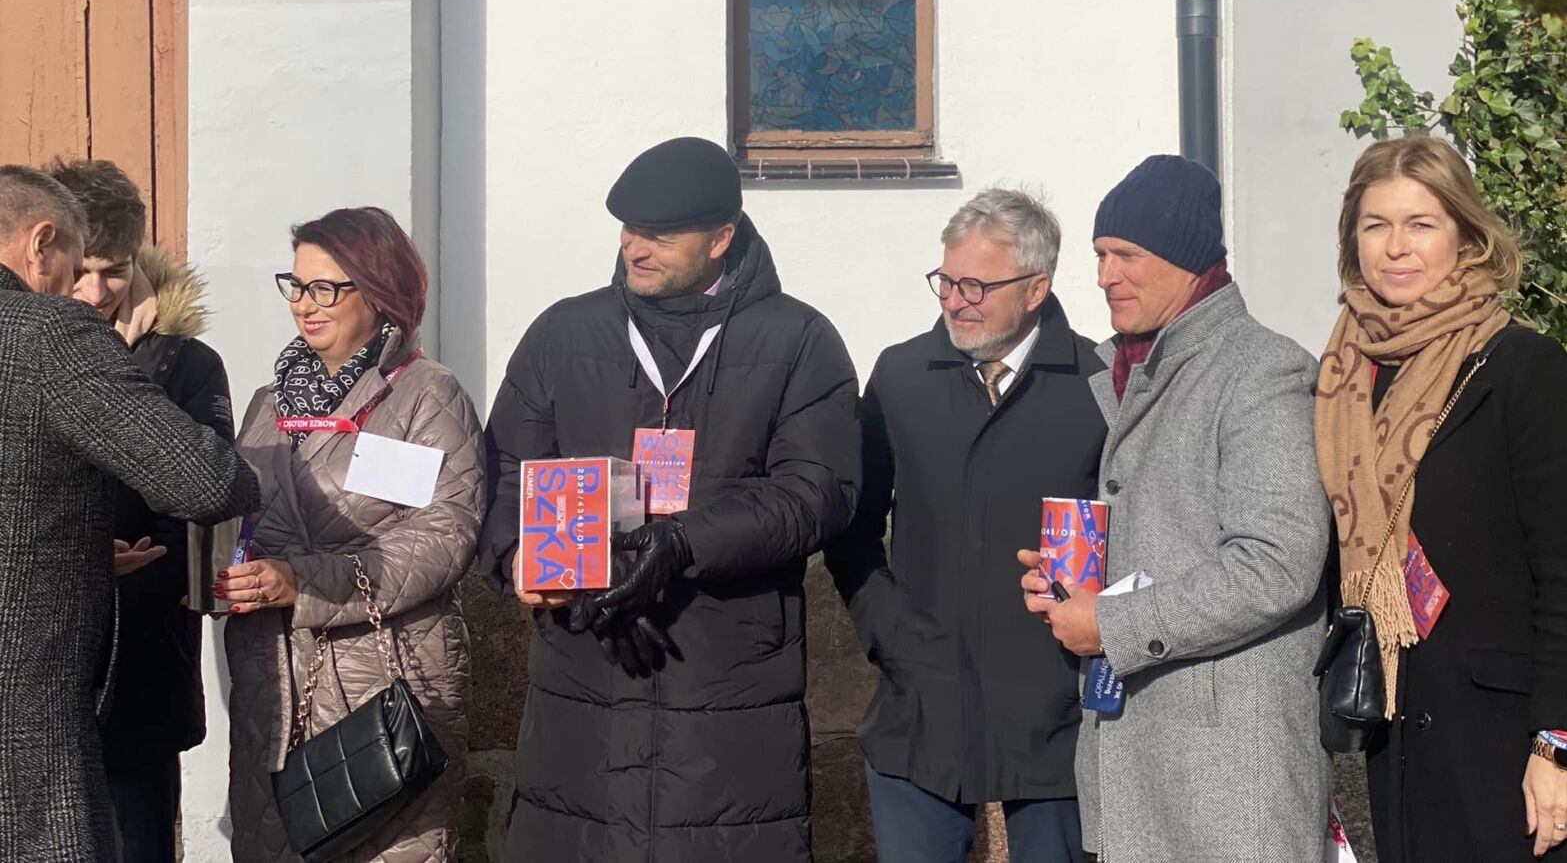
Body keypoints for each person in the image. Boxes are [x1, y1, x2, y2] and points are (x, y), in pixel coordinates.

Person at [480, 135, 861, 863]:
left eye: (659, 234)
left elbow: (818, 491)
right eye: (629, 229)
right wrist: (516, 554)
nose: (636, 247)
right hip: (582, 679)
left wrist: (684, 542)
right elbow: (503, 470)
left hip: (723, 679)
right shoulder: (564, 333)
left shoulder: (799, 340)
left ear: (722, 238)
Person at [1315, 136, 1567, 862]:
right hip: (1395, 735)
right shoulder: (1345, 376)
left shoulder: (1522, 369)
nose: (1396, 247)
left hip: (1505, 745)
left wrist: (1559, 747)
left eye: (1421, 224)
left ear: (1466, 236)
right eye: (1376, 225)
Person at [1018, 154, 1331, 863]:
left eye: (1126, 255)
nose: (1105, 276)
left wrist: (1110, 623)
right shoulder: (1134, 369)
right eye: (1100, 255)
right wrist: (1072, 590)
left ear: (1188, 261)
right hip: (1149, 767)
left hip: (1228, 784)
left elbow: (1277, 564)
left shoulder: (1261, 370)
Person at [826, 188, 1105, 862]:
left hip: (1057, 715)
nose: (955, 301)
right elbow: (851, 524)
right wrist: (888, 630)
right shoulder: (901, 375)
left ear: (1036, 288)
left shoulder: (1100, 384)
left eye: (977, 286)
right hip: (919, 710)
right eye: (947, 281)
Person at [0, 165, 259, 862]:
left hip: (138, 673)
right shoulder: (51, 333)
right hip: (36, 716)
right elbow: (212, 482)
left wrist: (76, 549)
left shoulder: (186, 360)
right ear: (42, 243)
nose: (84, 294)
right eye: (73, 272)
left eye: (110, 272)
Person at [221, 207, 484, 862]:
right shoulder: (268, 402)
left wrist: (305, 581)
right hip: (273, 682)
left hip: (384, 671)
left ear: (380, 289)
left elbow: (445, 533)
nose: (304, 304)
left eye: (326, 288)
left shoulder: (426, 394)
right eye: (296, 285)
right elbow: (240, 518)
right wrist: (215, 569)